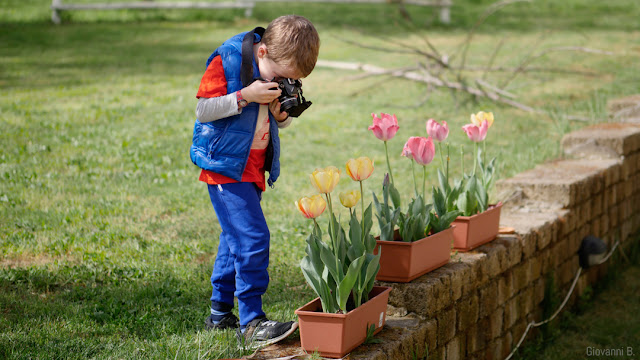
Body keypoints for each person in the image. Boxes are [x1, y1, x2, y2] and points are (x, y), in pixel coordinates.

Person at [189, 15, 320, 347]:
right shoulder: (228, 59)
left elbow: (277, 121)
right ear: (262, 52)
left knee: (233, 240)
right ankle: (252, 321)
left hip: (252, 168)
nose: (285, 83)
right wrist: (246, 95)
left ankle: (219, 313)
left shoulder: (271, 65)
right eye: (282, 77)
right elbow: (204, 110)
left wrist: (280, 116)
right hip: (225, 167)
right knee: (253, 239)